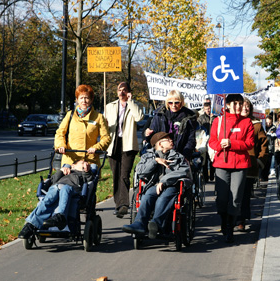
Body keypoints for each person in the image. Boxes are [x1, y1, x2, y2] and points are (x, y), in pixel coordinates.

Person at [122, 132, 190, 239]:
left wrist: (163, 181)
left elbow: (184, 171)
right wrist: (155, 161)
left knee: (164, 197)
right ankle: (139, 224)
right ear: (159, 144)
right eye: (167, 139)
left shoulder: (178, 157)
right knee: (148, 195)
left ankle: (156, 225)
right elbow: (140, 171)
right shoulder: (147, 156)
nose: (171, 140)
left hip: (172, 185)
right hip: (153, 185)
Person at [208, 94, 254, 243]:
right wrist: (220, 145)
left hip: (240, 165)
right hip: (222, 163)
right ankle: (223, 218)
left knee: (235, 198)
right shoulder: (219, 120)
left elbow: (250, 143)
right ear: (227, 105)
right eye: (235, 103)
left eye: (240, 103)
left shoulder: (247, 122)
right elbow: (212, 141)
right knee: (222, 198)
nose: (238, 106)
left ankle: (230, 226)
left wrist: (232, 143)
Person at [18, 160, 94, 239]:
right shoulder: (65, 172)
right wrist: (61, 171)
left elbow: (89, 180)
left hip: (72, 189)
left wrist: (87, 171)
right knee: (50, 195)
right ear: (73, 165)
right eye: (82, 163)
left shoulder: (83, 174)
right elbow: (52, 181)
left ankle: (60, 217)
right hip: (56, 187)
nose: (86, 163)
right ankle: (31, 225)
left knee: (65, 188)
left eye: (87, 163)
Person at [106, 82, 143, 218]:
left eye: (124, 90)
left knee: (124, 174)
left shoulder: (136, 105)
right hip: (114, 143)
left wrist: (131, 101)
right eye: (119, 90)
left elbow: (139, 118)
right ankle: (118, 204)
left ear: (129, 92)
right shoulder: (110, 106)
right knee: (116, 174)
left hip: (128, 144)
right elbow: (105, 124)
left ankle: (124, 205)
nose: (121, 92)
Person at [55, 84, 111, 169]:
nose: (84, 101)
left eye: (87, 98)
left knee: (88, 182)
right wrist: (61, 146)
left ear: (91, 99)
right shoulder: (70, 115)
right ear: (77, 100)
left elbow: (106, 137)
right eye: (81, 98)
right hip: (71, 160)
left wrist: (96, 148)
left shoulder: (98, 117)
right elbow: (60, 133)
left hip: (89, 160)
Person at [236, 97, 268, 231]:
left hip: (249, 166)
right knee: (233, 194)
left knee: (244, 195)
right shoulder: (231, 123)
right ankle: (231, 218)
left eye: (247, 106)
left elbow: (264, 145)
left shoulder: (257, 125)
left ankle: (241, 220)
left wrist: (259, 161)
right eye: (242, 105)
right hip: (233, 164)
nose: (245, 108)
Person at [144, 90, 197, 161]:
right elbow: (153, 136)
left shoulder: (189, 117)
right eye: (170, 102)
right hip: (161, 154)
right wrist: (147, 134)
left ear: (181, 102)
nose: (173, 105)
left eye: (177, 102)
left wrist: (185, 156)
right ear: (167, 103)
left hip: (180, 155)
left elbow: (191, 139)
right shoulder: (160, 115)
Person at [197, 101, 215, 182]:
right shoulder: (201, 118)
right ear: (204, 109)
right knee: (204, 159)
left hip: (212, 140)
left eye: (209, 108)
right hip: (204, 140)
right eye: (206, 109)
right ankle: (205, 177)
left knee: (212, 159)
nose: (208, 110)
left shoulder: (214, 118)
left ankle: (212, 175)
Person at [262, 114, 277, 180]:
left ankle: (265, 176)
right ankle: (262, 176)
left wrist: (267, 134)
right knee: (263, 162)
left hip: (270, 148)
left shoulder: (274, 128)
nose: (268, 124)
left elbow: (274, 135)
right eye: (267, 122)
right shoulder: (263, 127)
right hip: (263, 148)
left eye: (269, 123)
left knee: (268, 162)